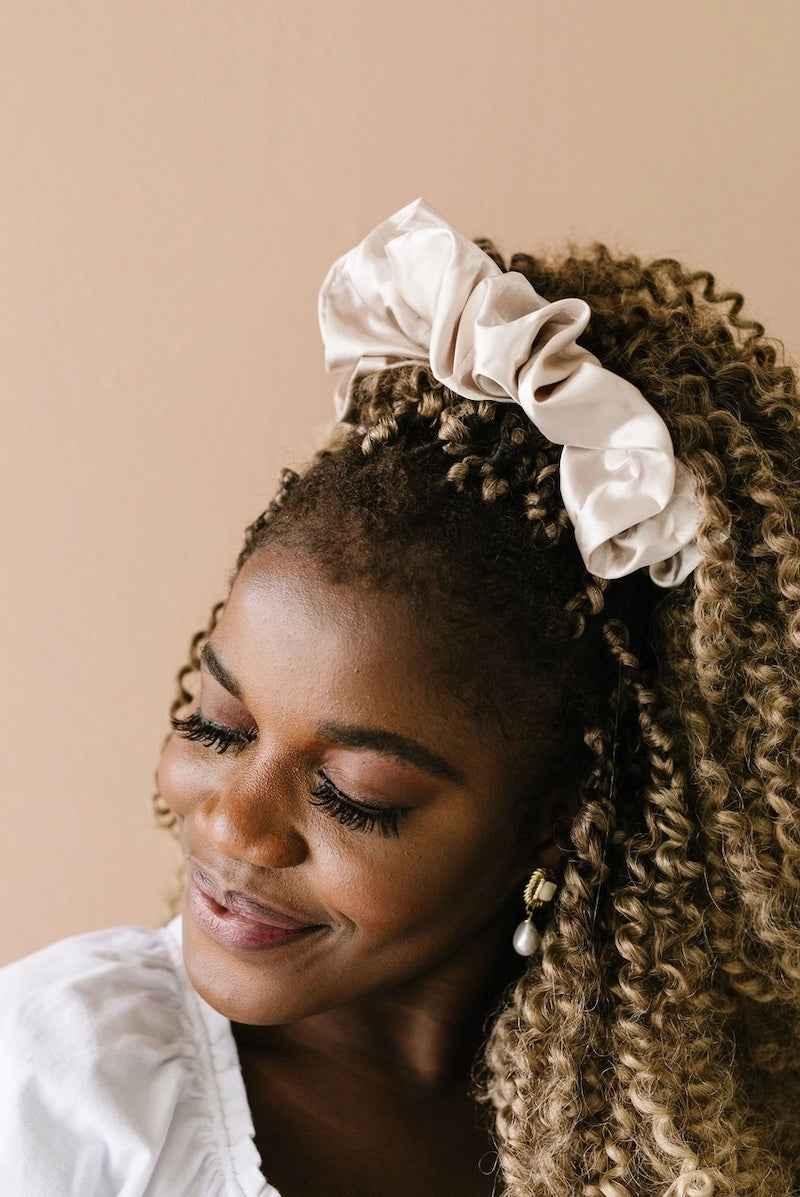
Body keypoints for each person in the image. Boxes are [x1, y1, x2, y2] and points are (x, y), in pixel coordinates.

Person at [1, 198, 798, 1197]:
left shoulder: (687, 1142)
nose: (237, 823)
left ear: (563, 816)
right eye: (216, 725)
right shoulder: (55, 1089)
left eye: (356, 794)